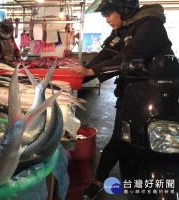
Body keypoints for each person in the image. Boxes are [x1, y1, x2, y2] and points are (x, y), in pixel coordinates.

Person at [70, 0, 174, 199]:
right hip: (130, 94)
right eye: (104, 16)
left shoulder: (149, 25)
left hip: (157, 97)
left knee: (156, 143)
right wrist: (78, 76)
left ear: (125, 10)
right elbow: (105, 55)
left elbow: (129, 56)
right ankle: (99, 181)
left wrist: (92, 71)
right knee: (119, 137)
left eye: (109, 13)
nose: (107, 19)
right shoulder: (123, 30)